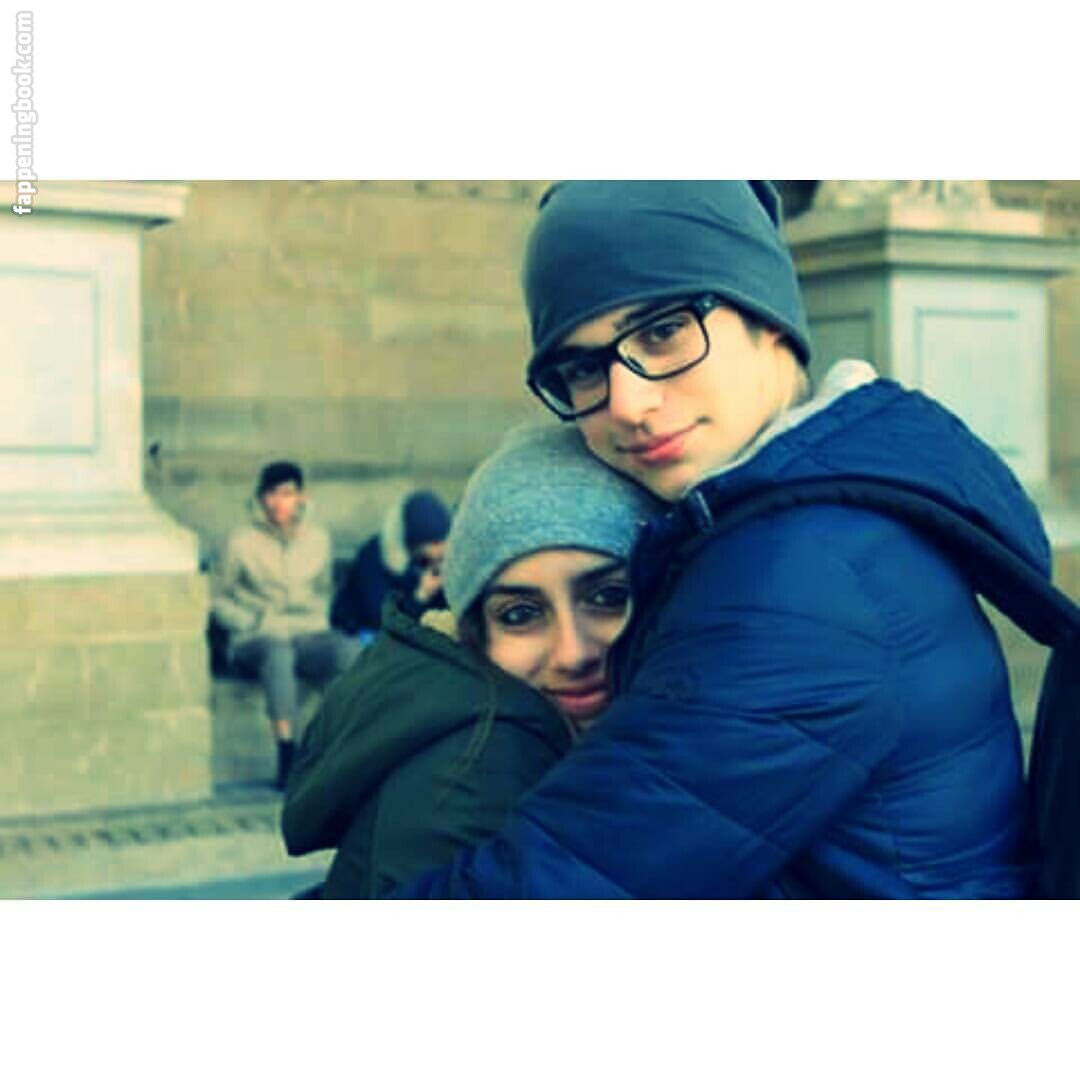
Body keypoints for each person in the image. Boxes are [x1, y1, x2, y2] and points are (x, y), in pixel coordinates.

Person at [394, 180, 1049, 899]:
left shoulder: (799, 576)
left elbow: (561, 884)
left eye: (663, 332)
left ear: (768, 319)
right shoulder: (805, 518)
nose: (628, 403)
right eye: (582, 368)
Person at [281, 424, 659, 898]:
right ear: (473, 632)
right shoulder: (475, 773)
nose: (573, 653)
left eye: (608, 597)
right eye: (520, 614)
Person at [211, 460, 360, 790]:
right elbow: (216, 598)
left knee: (348, 651)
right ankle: (286, 753)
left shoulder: (318, 539)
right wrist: (249, 620)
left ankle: (339, 748)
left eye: (287, 494)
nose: (279, 502)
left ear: (301, 497)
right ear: (261, 498)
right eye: (272, 494)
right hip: (256, 635)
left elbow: (323, 589)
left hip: (307, 631)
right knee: (279, 655)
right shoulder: (240, 542)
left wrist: (317, 617)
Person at [330, 490, 451, 642]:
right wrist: (420, 596)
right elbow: (380, 619)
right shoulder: (374, 557)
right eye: (436, 543)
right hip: (359, 633)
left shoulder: (433, 562)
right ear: (415, 543)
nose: (441, 549)